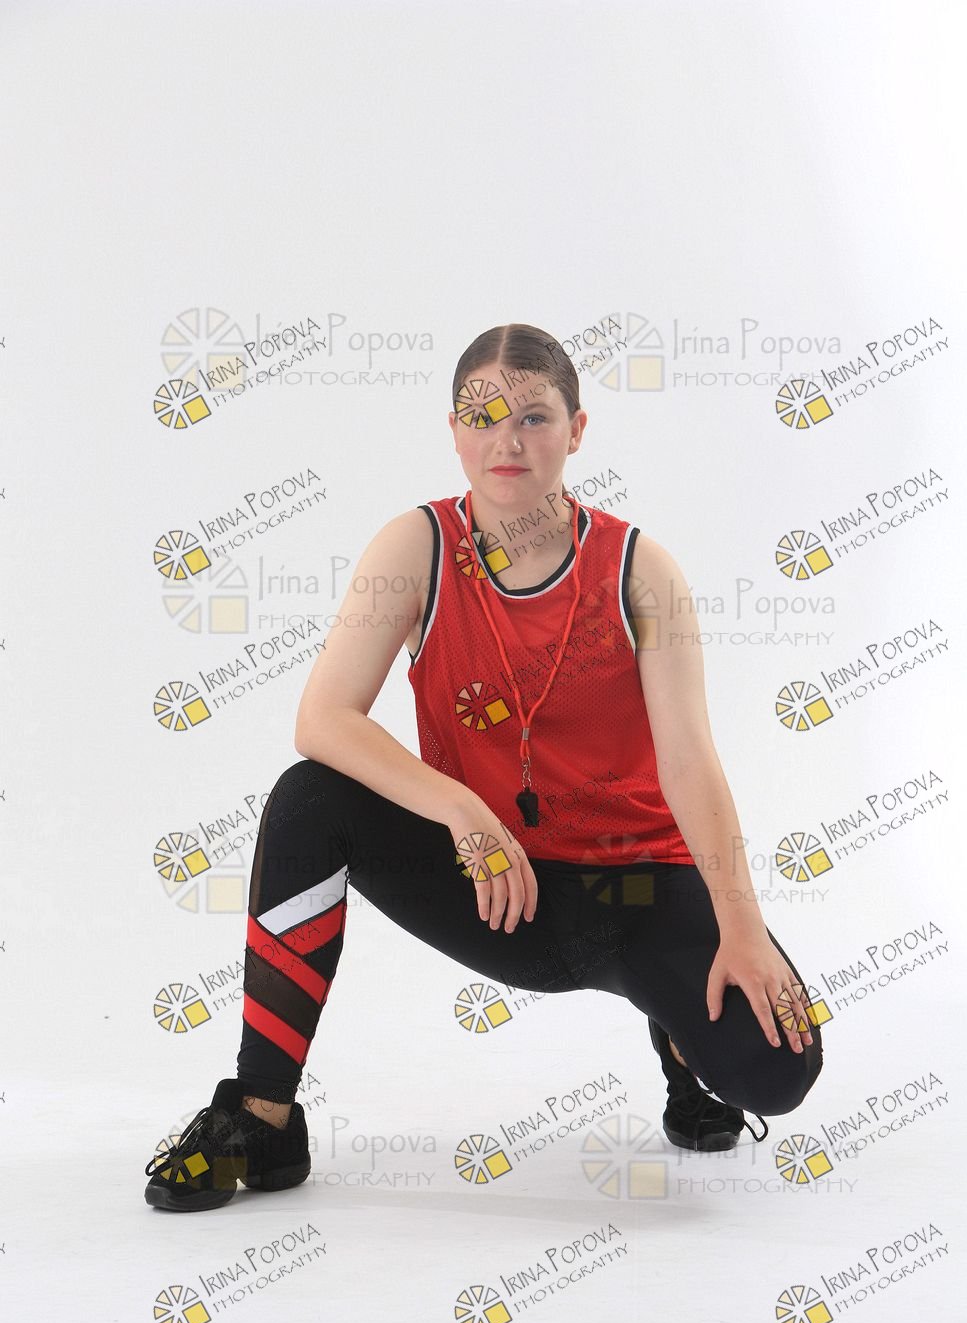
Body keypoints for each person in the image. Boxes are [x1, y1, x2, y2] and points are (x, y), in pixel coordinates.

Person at [144, 322, 824, 1212]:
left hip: (634, 888)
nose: (508, 441)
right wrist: (461, 809)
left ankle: (681, 1042)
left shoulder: (640, 570)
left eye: (535, 417)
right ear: (454, 430)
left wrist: (741, 928)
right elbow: (323, 719)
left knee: (777, 1070)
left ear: (577, 431)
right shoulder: (416, 548)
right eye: (483, 417)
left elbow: (691, 762)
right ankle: (262, 1115)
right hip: (498, 885)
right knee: (308, 800)